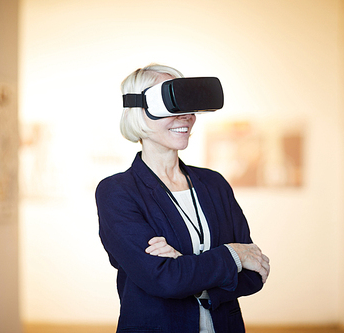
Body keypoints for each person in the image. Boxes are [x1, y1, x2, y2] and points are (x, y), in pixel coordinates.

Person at [95, 64, 270, 333]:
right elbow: (163, 279)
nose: (186, 116)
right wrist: (232, 255)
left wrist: (184, 267)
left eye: (188, 106)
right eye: (171, 105)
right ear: (139, 112)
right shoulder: (117, 192)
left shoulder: (214, 184)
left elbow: (254, 273)